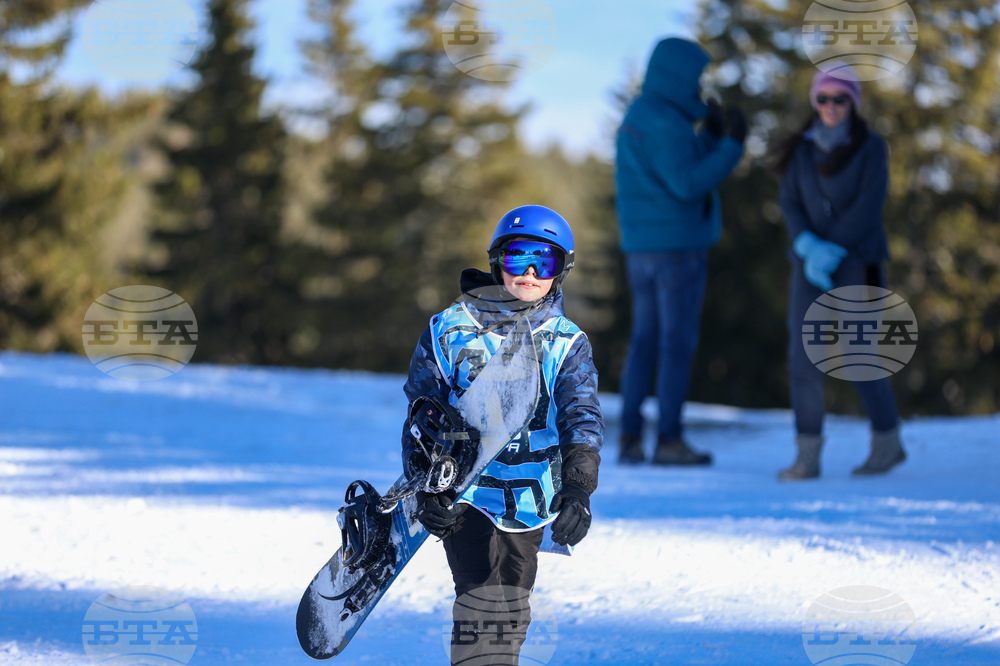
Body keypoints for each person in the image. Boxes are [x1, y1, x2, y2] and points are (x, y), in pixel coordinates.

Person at [401, 204, 604, 664]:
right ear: (497, 262)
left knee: (511, 607)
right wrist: (424, 486)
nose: (529, 272)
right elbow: (421, 412)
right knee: (477, 598)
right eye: (518, 258)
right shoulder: (449, 329)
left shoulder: (566, 342)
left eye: (544, 261)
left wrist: (579, 489)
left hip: (528, 500)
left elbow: (582, 418)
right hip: (465, 491)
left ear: (561, 270)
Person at [614, 37, 746, 465]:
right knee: (675, 344)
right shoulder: (665, 121)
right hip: (677, 252)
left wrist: (708, 137)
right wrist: (732, 146)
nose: (699, 86)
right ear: (677, 76)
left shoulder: (641, 115)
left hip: (642, 251)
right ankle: (669, 440)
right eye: (696, 78)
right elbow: (688, 184)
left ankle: (630, 438)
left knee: (644, 342)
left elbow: (674, 169)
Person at [771, 67, 906, 480]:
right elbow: (790, 202)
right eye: (823, 98)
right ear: (815, 101)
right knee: (803, 357)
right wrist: (808, 245)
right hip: (809, 262)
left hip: (856, 258)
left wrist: (832, 247)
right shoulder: (801, 151)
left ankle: (888, 443)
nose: (830, 107)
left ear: (853, 103)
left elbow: (870, 205)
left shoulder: (870, 148)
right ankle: (807, 455)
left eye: (839, 99)